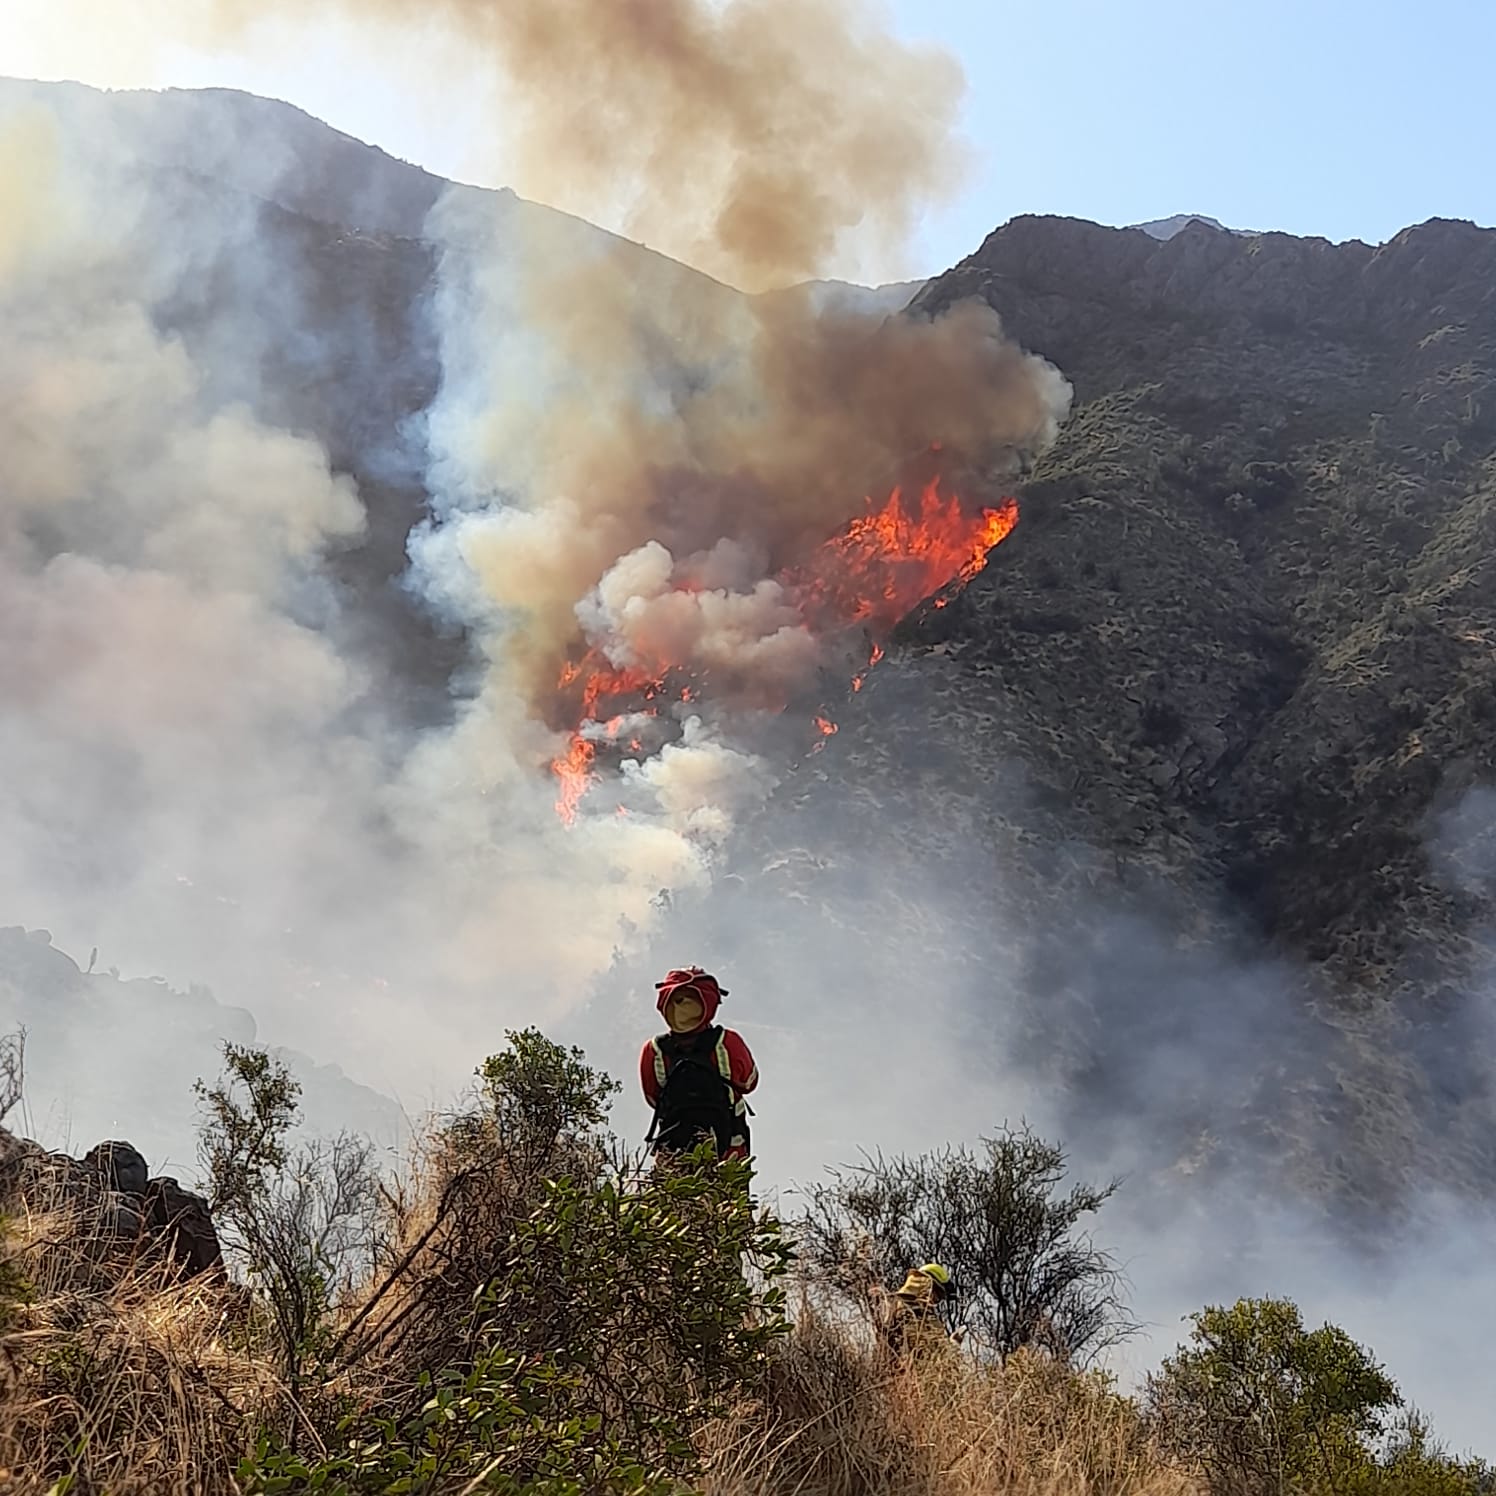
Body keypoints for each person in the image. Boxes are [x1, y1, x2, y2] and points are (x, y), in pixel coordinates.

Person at [640, 966, 757, 1162]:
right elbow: (749, 1083)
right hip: (729, 1153)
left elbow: (653, 1098)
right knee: (728, 1183)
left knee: (670, 1184)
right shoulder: (727, 1041)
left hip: (673, 1156)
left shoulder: (653, 1050)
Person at [875, 1262, 957, 1357]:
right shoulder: (911, 1312)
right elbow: (928, 1352)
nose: (936, 1300)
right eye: (937, 1294)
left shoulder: (893, 1305)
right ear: (926, 1284)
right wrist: (953, 1347)